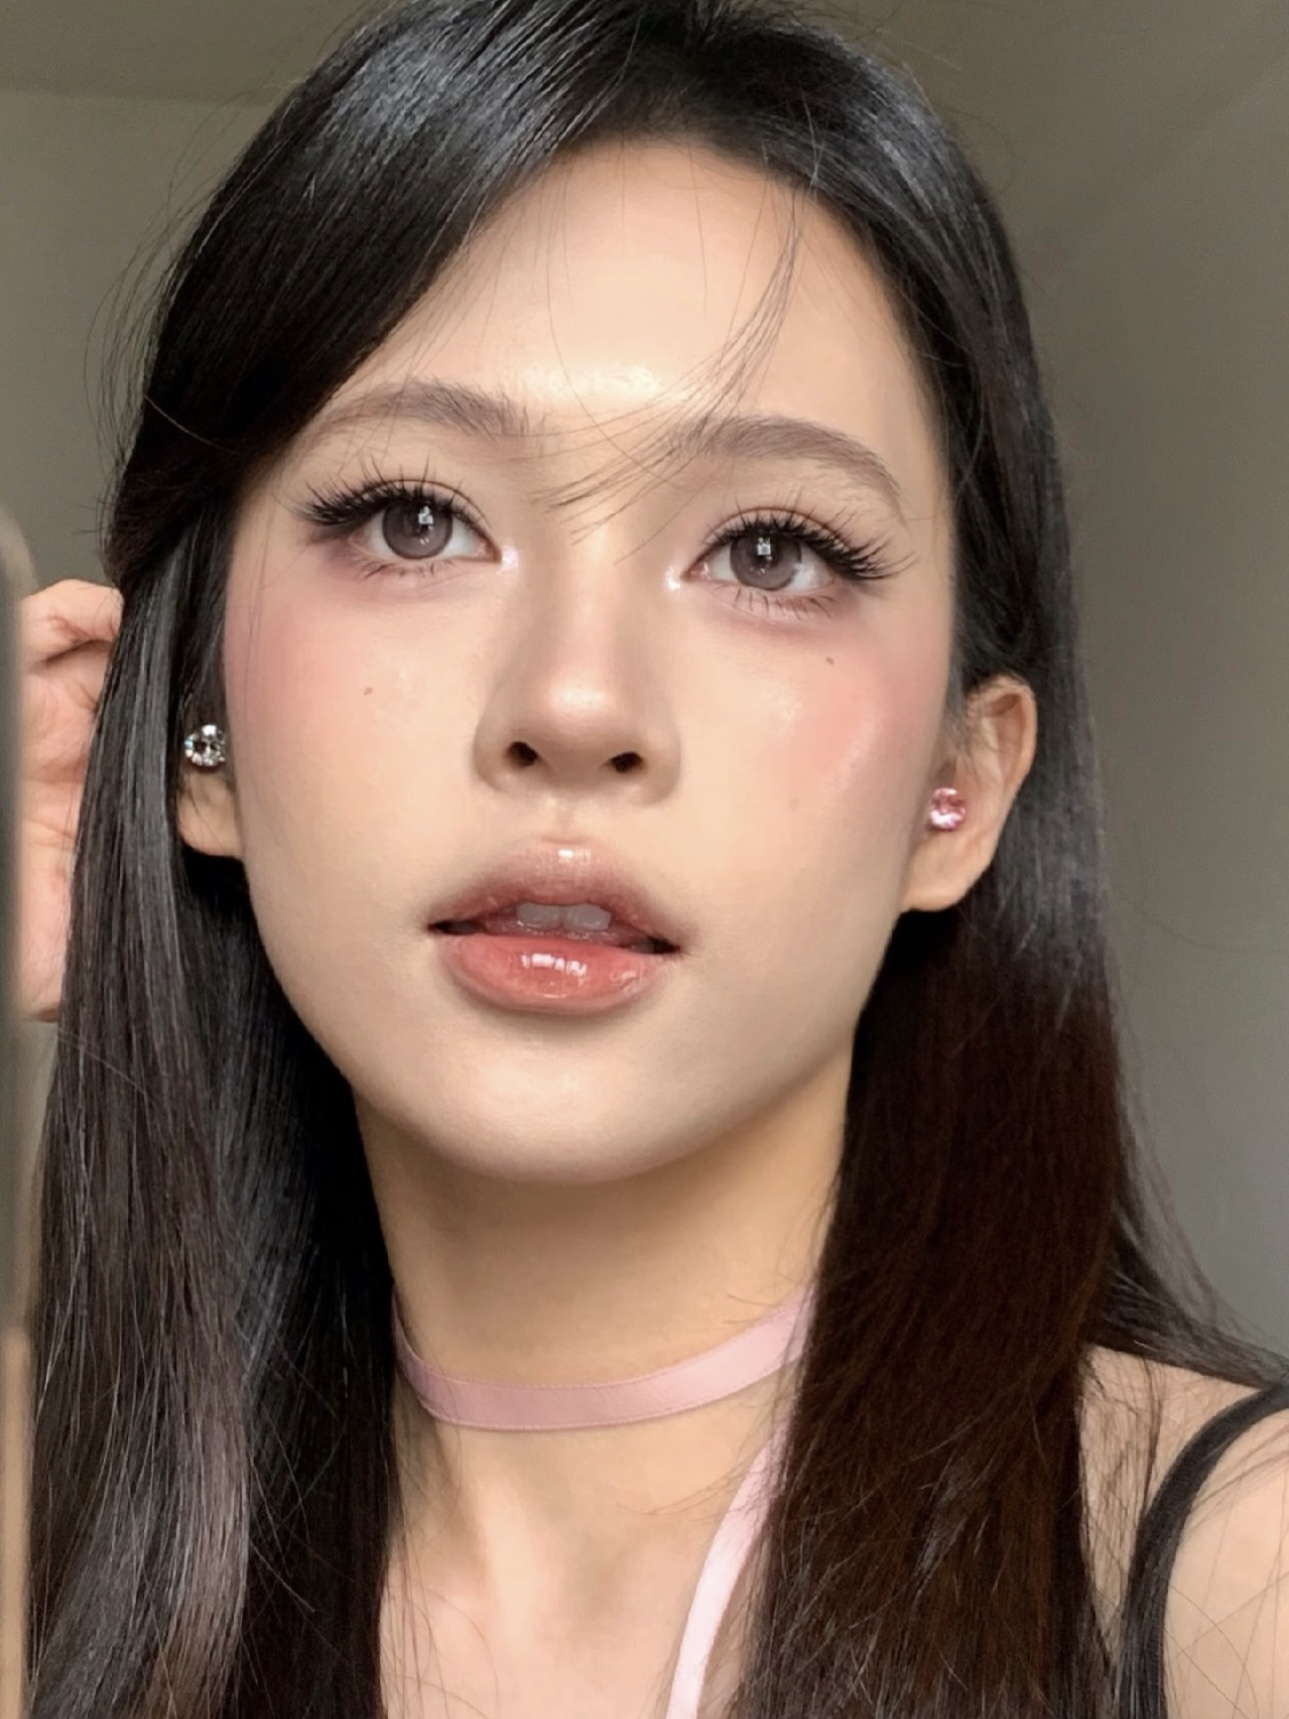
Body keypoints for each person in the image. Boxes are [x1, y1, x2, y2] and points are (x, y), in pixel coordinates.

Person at [15, 1, 1289, 1714]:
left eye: (770, 551)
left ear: (959, 788)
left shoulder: (1237, 1586)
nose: (574, 703)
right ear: (200, 732)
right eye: (414, 520)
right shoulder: (53, 1559)